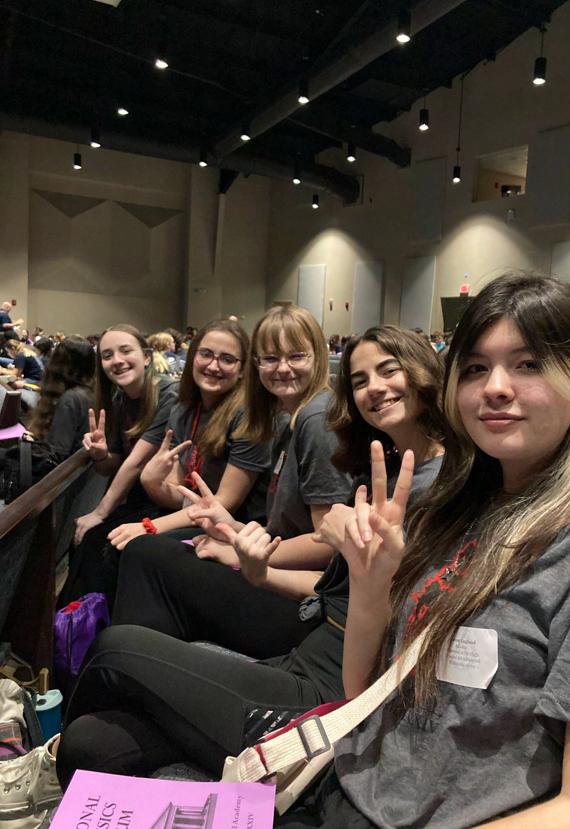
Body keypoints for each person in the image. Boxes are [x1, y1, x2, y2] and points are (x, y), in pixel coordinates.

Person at [264, 271, 570, 828]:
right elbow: (366, 694)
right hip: (349, 785)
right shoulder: (456, 507)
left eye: (528, 364)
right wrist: (370, 582)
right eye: (475, 368)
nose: (495, 387)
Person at [43, 322, 445, 800]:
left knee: (117, 644)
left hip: (327, 691)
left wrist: (330, 554)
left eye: (388, 371)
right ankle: (60, 755)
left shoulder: (438, 483)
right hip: (303, 654)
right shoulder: (386, 465)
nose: (374, 388)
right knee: (87, 744)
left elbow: (387, 612)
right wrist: (257, 566)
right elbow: (331, 589)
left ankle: (49, 741)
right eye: (360, 380)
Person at [110, 303, 353, 654]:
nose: (282, 368)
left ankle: (130, 665)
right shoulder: (289, 419)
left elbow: (329, 543)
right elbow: (284, 528)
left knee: (144, 555)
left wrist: (238, 553)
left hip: (306, 605)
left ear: (319, 357)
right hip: (277, 570)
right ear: (257, 366)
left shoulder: (316, 421)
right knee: (146, 556)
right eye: (270, 359)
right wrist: (232, 529)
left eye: (296, 356)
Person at [107, 319, 271, 547]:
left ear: (243, 370)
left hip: (236, 529)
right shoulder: (183, 410)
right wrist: (152, 482)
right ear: (193, 357)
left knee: (136, 547)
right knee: (101, 536)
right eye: (206, 354)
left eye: (227, 359)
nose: (213, 366)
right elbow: (179, 496)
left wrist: (149, 527)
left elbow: (225, 504)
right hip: (197, 517)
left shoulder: (249, 416)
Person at [58, 324, 178, 606]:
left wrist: (99, 512)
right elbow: (110, 467)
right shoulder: (118, 398)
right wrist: (100, 454)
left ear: (146, 356)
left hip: (167, 502)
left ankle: (97, 622)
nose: (117, 361)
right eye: (107, 355)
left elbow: (136, 463)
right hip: (137, 500)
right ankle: (75, 622)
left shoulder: (169, 394)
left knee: (103, 547)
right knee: (84, 541)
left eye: (126, 351)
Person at [27, 336, 96, 459]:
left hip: (59, 467)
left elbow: (57, 453)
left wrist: (30, 443)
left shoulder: (71, 398)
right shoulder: (92, 392)